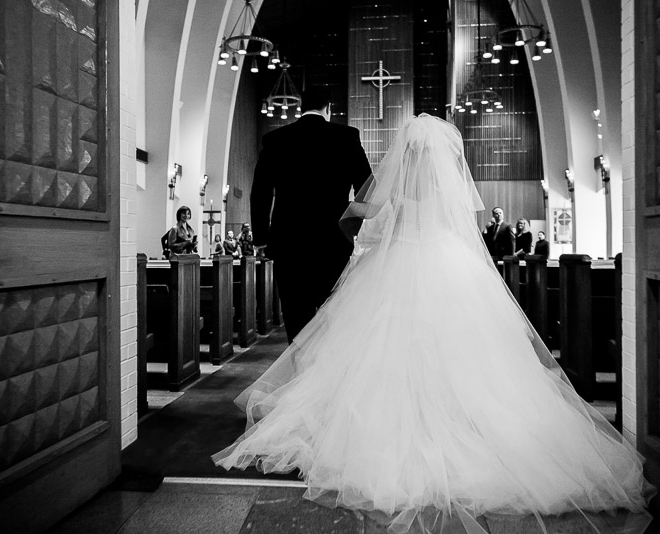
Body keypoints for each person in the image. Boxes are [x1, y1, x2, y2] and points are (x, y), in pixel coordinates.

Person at [214, 114, 653, 534]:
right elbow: (462, 224)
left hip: (392, 266)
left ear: (407, 154)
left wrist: (349, 221)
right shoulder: (450, 195)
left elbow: (363, 216)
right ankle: (465, 421)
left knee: (377, 346)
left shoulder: (395, 190)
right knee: (465, 351)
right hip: (452, 269)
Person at [251, 86, 372, 343]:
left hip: (289, 242)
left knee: (296, 316)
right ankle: (328, 374)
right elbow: (367, 188)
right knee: (334, 313)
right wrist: (356, 227)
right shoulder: (346, 137)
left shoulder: (276, 139)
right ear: (328, 109)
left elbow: (260, 192)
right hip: (334, 240)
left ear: (300, 107)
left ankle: (301, 373)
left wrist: (260, 238)